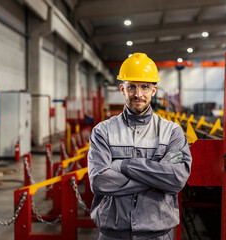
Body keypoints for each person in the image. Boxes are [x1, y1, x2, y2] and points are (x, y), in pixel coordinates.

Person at [88, 53, 192, 240]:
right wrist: (157, 176)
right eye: (132, 87)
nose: (138, 94)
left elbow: (177, 180)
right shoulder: (102, 131)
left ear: (154, 90)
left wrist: (123, 166)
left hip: (157, 233)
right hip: (113, 233)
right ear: (122, 89)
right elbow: (99, 181)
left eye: (145, 87)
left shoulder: (172, 132)